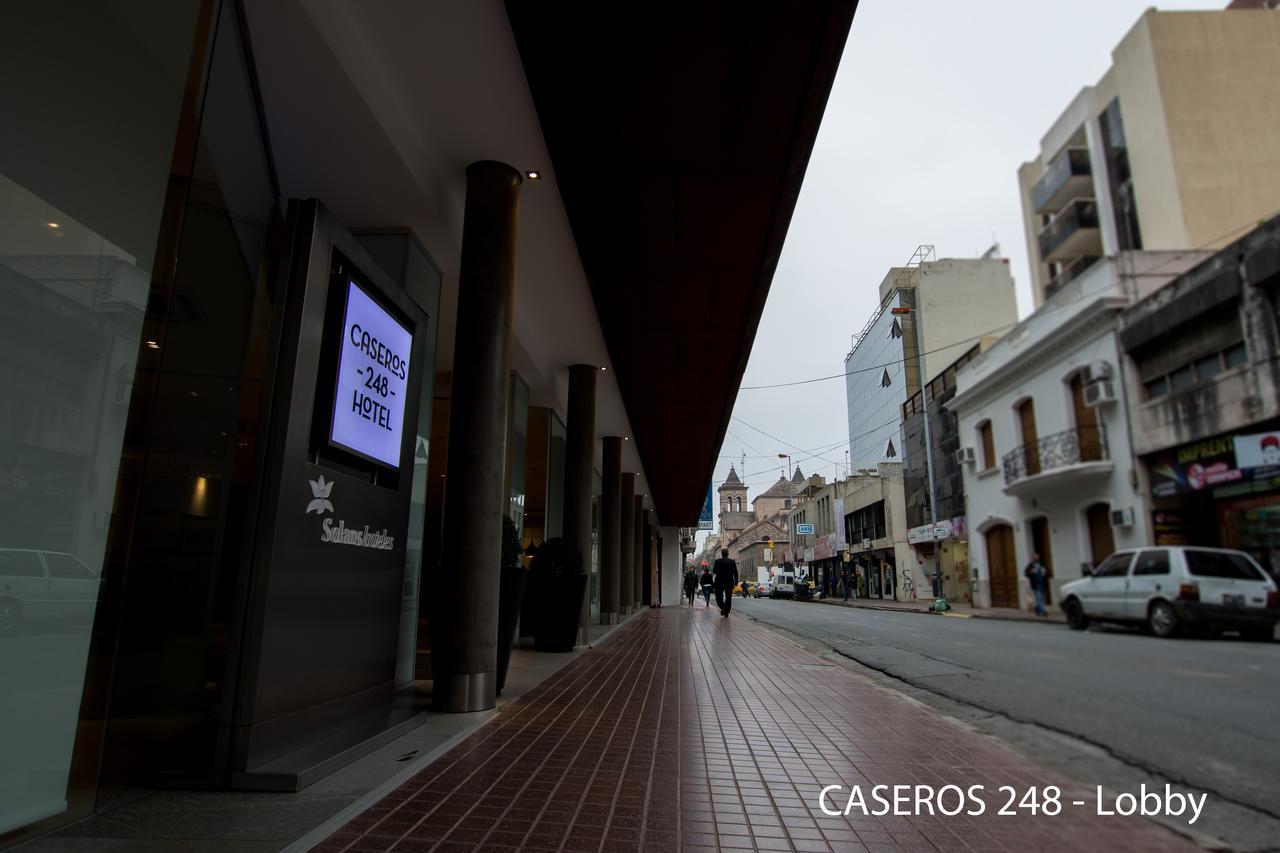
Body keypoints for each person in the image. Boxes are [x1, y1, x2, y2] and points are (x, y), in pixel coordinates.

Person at [712, 548, 739, 617]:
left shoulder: (717, 561)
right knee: (728, 597)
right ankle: (726, 611)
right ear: (728, 554)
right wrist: (736, 581)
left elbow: (714, 571)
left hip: (719, 582)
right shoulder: (732, 562)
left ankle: (723, 608)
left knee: (718, 597)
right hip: (729, 582)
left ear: (722, 554)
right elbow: (735, 573)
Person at [1025, 552, 1049, 617]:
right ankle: (1043, 611)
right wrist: (1031, 572)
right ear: (1033, 558)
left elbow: (1046, 572)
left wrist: (1045, 572)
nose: (1036, 558)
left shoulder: (1042, 564)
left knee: (1042, 598)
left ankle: (1037, 609)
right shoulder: (1030, 565)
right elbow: (1026, 573)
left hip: (1042, 583)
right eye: (1035, 557)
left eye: (1037, 557)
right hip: (1035, 584)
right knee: (1039, 598)